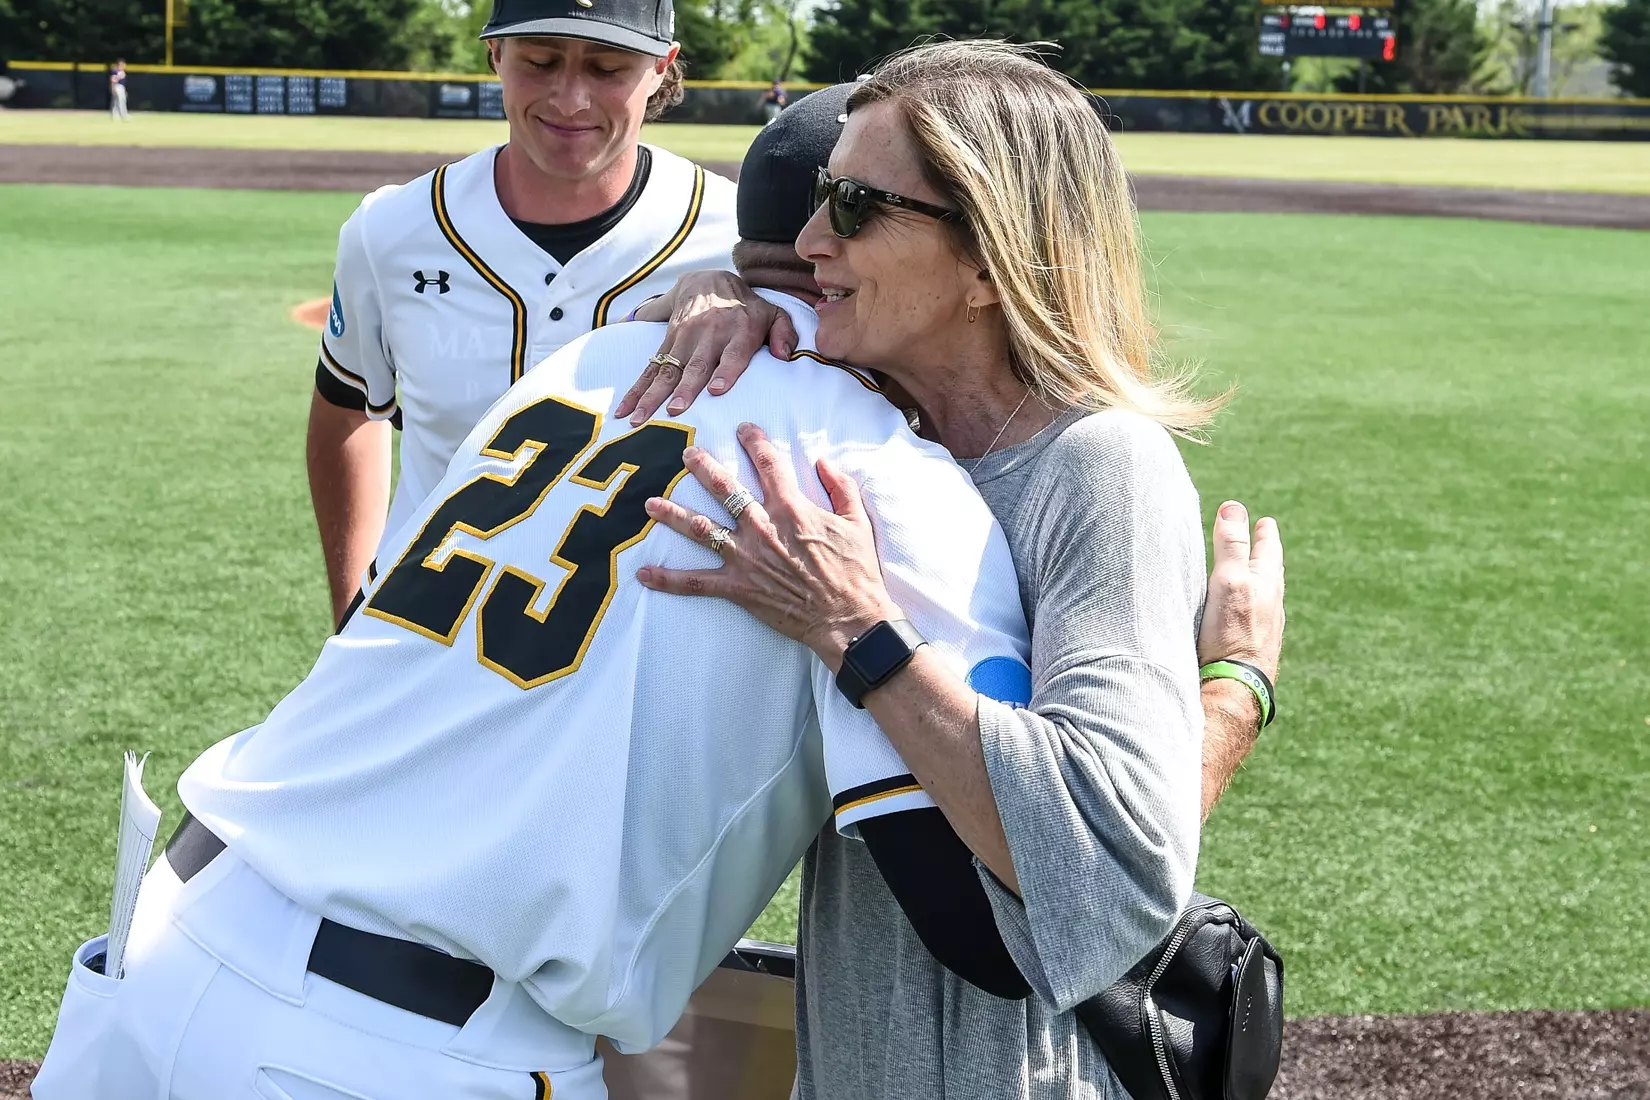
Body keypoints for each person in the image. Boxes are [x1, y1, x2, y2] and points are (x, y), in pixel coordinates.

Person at [28, 85, 1032, 1100]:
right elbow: (996, 930)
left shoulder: (590, 360)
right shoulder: (887, 494)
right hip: (396, 1049)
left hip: (162, 942)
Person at [625, 41, 1286, 1098]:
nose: (808, 239)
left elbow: (1115, 860)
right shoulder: (856, 424)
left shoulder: (1097, 466)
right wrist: (710, 295)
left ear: (990, 258)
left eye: (851, 206)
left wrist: (858, 629)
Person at [305, 0, 761, 629]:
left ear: (662, 66)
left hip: (632, 645)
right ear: (495, 53)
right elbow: (349, 405)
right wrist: (350, 606)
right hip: (418, 623)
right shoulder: (390, 230)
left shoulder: (737, 239)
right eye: (540, 61)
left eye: (607, 68)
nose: (570, 99)